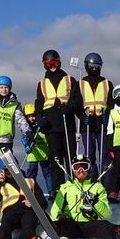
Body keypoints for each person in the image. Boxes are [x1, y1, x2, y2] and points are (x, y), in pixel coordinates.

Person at [34, 49, 83, 193]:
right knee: (55, 160)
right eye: (48, 64)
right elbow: (39, 104)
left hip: (67, 125)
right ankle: (58, 190)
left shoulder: (70, 80)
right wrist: (40, 118)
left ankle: (76, 187)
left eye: (54, 62)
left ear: (59, 62)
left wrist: (69, 108)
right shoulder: (42, 83)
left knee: (70, 158)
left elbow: (77, 101)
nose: (52, 66)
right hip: (51, 127)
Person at [50, 155, 120, 239]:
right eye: (76, 167)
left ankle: (119, 233)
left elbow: (106, 213)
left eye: (84, 166)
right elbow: (55, 209)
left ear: (89, 169)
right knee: (63, 225)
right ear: (73, 170)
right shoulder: (66, 188)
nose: (80, 170)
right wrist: (59, 215)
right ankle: (53, 229)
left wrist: (95, 202)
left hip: (89, 224)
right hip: (71, 224)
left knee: (102, 226)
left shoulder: (97, 187)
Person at [0, 158, 47, 239]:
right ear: (2, 171)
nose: (9, 172)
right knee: (6, 225)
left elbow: (43, 203)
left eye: (11, 169)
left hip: (28, 210)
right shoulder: (1, 184)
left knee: (29, 224)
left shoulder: (30, 181)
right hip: (11, 211)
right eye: (6, 170)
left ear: (17, 167)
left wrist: (34, 203)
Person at [79, 52, 113, 175]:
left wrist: (107, 115)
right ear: (87, 66)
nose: (94, 69)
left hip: (102, 123)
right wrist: (83, 117)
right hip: (87, 125)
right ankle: (92, 179)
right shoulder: (81, 84)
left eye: (97, 66)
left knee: (104, 154)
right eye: (92, 66)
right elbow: (76, 103)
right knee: (89, 154)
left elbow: (111, 102)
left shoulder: (107, 83)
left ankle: (105, 182)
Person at [21, 102, 54, 199]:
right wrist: (26, 145)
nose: (32, 119)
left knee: (47, 173)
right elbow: (24, 139)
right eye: (29, 117)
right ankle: (30, 190)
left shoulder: (41, 126)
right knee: (32, 173)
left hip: (44, 154)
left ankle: (51, 191)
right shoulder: (26, 128)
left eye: (33, 116)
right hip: (33, 155)